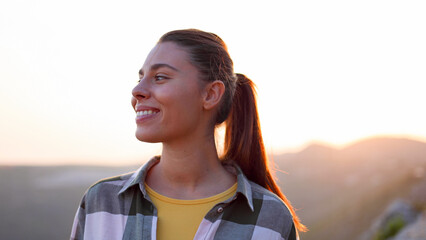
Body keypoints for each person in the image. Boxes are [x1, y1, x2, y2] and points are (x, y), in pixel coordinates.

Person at [70, 29, 306, 240]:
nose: (137, 90)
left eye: (160, 77)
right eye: (140, 78)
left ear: (211, 94)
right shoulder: (99, 202)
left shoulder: (271, 219)